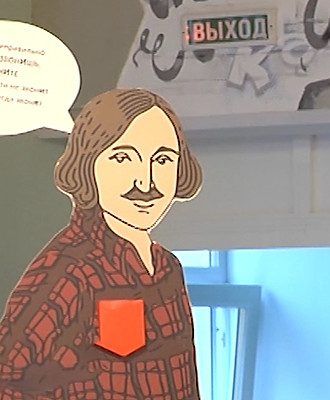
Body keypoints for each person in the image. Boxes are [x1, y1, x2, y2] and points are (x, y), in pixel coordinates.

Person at [0, 88, 203, 399]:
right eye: (123, 158)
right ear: (88, 164)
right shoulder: (69, 269)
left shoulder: (168, 268)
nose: (145, 182)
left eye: (162, 160)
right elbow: (7, 376)